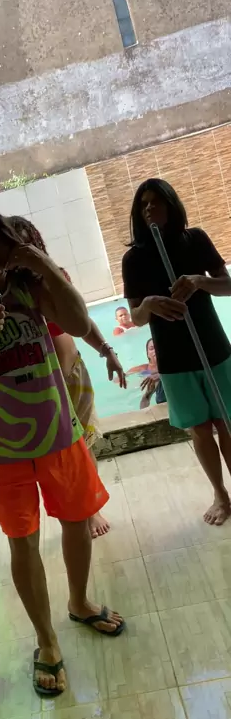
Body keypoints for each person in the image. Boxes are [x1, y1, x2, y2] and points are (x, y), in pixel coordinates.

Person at [0, 206, 125, 698]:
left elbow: (78, 321)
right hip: (2, 450)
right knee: (24, 543)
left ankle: (79, 602)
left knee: (77, 522)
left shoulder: (29, 284)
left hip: (59, 433)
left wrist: (40, 263)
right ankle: (46, 641)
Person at [8, 215, 126, 538]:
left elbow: (81, 320)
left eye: (26, 242)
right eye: (14, 244)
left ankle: (91, 507)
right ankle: (79, 508)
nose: (21, 250)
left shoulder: (55, 277)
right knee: (65, 454)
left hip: (73, 374)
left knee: (85, 445)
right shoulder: (10, 293)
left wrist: (107, 351)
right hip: (44, 386)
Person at [122, 178, 231, 525]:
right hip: (173, 359)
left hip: (213, 348)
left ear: (171, 205)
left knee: (227, 423)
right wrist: (149, 305)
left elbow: (228, 285)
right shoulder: (134, 259)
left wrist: (199, 281)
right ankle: (220, 495)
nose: (149, 209)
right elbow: (136, 317)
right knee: (199, 429)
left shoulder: (194, 240)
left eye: (156, 201)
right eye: (143, 204)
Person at [127, 338, 167, 409]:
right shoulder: (145, 370)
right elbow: (146, 397)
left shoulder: (158, 376)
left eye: (158, 347)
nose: (155, 350)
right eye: (151, 348)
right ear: (147, 354)